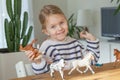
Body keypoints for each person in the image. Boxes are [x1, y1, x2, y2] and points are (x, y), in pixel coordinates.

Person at [26, 5, 100, 74]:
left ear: (66, 21)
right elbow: (42, 74)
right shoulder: (47, 47)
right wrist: (38, 62)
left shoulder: (75, 43)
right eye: (53, 27)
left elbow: (91, 61)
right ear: (46, 31)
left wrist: (92, 40)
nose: (59, 28)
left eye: (61, 23)